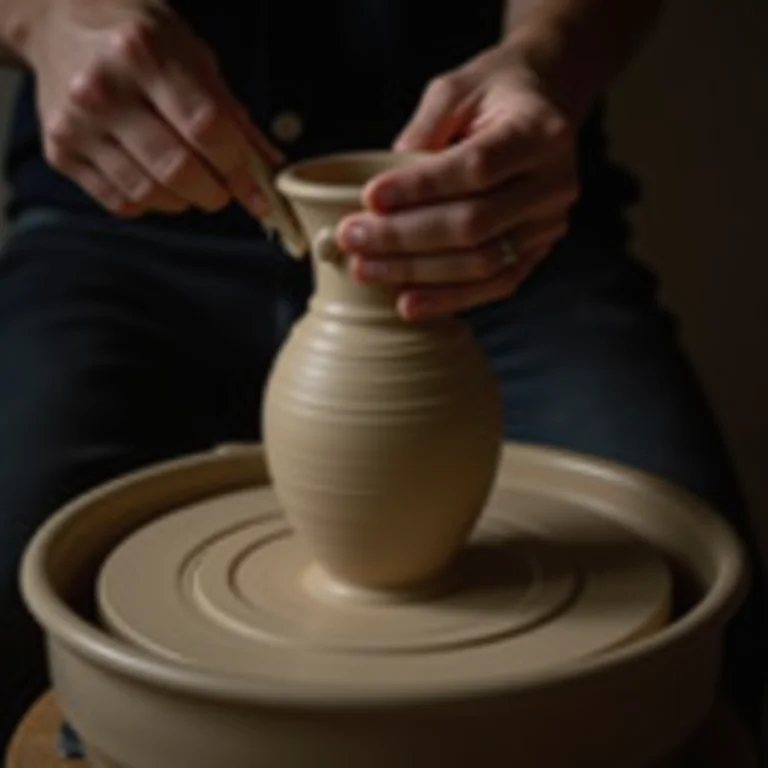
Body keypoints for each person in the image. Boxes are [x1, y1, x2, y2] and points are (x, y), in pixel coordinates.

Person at [0, 0, 764, 756]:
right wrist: (39, 19)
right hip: (120, 227)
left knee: (710, 623)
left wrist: (547, 55)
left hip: (485, 237)